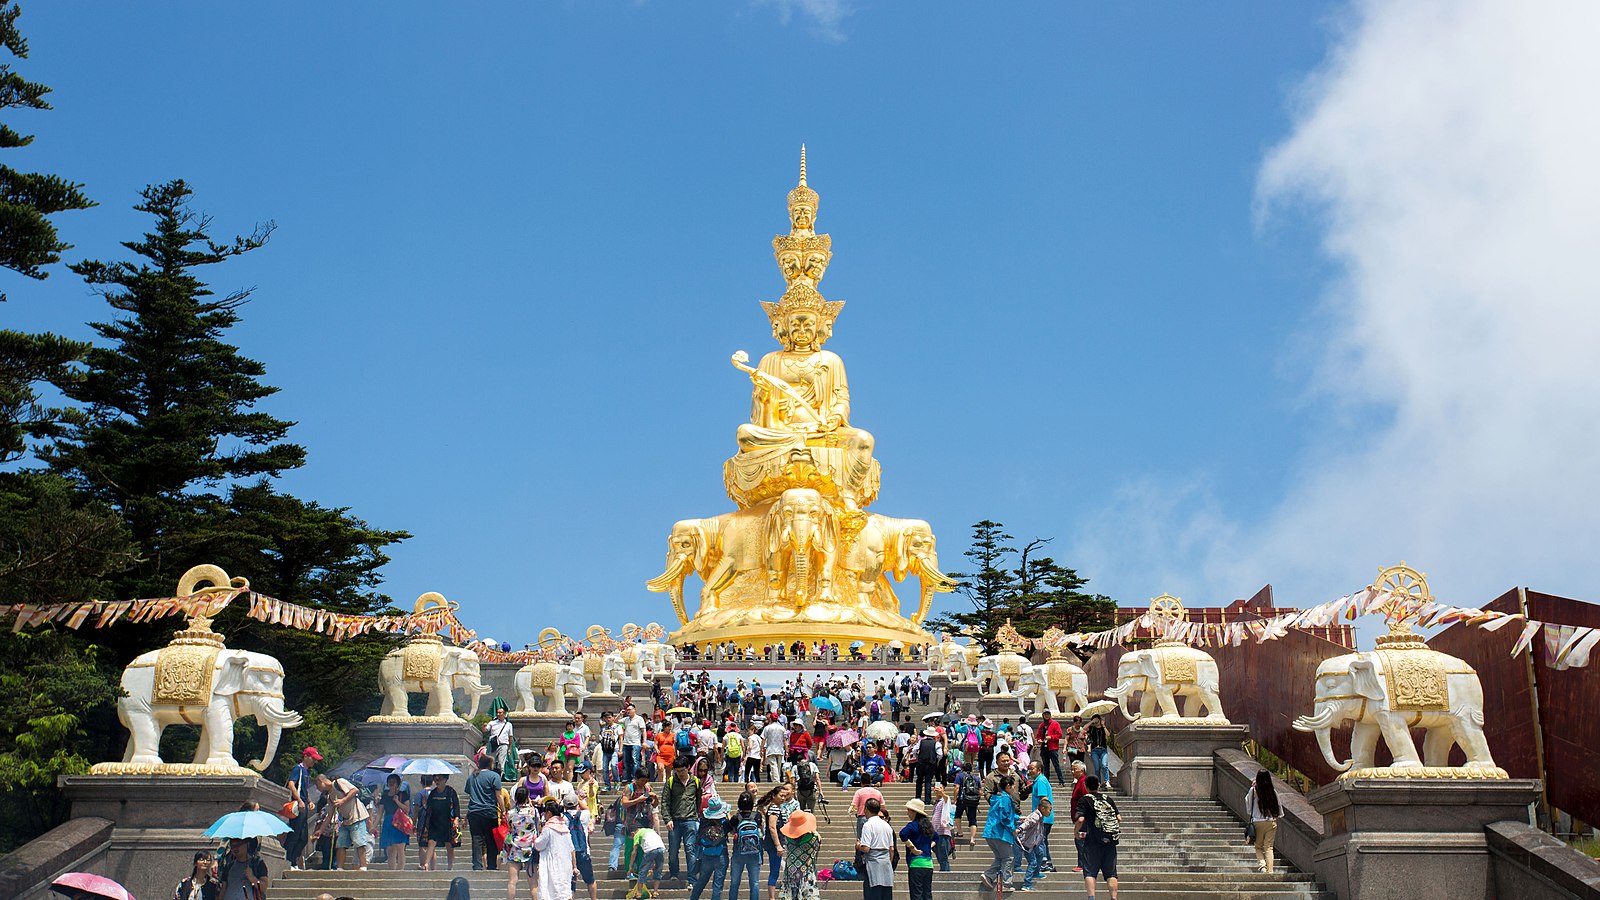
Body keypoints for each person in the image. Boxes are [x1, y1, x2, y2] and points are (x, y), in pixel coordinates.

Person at [1074, 776, 1119, 900]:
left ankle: (1091, 897)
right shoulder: (1108, 799)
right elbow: (1118, 818)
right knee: (1111, 873)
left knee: (1089, 872)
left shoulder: (1084, 800)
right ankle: (1114, 898)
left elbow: (1081, 819)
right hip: (1110, 841)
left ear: (1086, 786)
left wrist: (1076, 832)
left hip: (1092, 841)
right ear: (1098, 785)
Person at [316, 773, 371, 871]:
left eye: (317, 786)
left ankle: (363, 866)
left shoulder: (339, 782)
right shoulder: (329, 796)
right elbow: (330, 815)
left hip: (357, 816)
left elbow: (355, 790)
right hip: (345, 821)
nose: (318, 789)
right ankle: (339, 868)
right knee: (341, 844)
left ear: (321, 781)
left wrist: (343, 800)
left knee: (359, 842)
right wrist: (320, 831)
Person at [665, 755, 703, 882]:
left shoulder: (695, 781)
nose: (680, 773)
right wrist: (667, 819)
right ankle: (674, 873)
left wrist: (695, 814)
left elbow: (699, 799)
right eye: (677, 771)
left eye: (682, 770)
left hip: (690, 820)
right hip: (675, 820)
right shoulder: (671, 782)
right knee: (673, 851)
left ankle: (692, 878)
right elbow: (665, 802)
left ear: (688, 768)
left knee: (690, 849)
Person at [979, 772, 1017, 897]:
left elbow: (1004, 813)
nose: (1014, 788)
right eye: (1013, 786)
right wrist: (1012, 829)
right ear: (1008, 786)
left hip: (991, 832)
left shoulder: (996, 798)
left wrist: (1018, 818)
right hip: (1000, 833)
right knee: (1008, 858)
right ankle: (1006, 883)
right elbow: (1005, 816)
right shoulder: (1006, 798)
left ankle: (988, 876)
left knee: (1000, 857)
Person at [283, 746, 320, 869]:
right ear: (306, 757)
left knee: (303, 838)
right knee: (295, 834)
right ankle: (289, 861)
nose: (314, 761)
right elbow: (291, 784)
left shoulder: (306, 772)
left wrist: (309, 801)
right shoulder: (297, 769)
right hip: (298, 806)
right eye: (312, 759)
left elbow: (305, 789)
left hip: (304, 805)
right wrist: (299, 800)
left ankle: (293, 860)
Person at [467, 753, 505, 871]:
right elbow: (499, 795)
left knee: (477, 839)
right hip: (489, 811)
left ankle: (477, 865)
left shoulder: (472, 776)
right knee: (491, 840)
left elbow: (470, 795)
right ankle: (491, 865)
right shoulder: (494, 776)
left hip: (474, 812)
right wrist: (503, 810)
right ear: (490, 764)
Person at [760, 783, 798, 900]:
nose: (783, 798)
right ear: (774, 796)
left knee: (775, 869)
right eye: (781, 796)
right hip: (773, 844)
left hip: (777, 842)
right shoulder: (775, 808)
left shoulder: (773, 808)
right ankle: (772, 897)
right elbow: (772, 827)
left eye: (784, 796)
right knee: (774, 870)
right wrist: (778, 845)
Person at [690, 796, 730, 900]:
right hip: (720, 855)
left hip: (706, 855)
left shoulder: (704, 822)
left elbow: (698, 839)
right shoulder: (724, 823)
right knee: (717, 886)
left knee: (701, 881)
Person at [534, 798, 575, 900]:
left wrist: (535, 838)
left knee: (551, 891)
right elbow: (571, 848)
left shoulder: (548, 828)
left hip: (551, 864)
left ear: (549, 813)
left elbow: (539, 845)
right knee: (564, 891)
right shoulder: (564, 828)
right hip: (565, 864)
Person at [420, 773, 461, 871]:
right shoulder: (433, 793)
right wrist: (425, 804)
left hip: (447, 822)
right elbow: (429, 808)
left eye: (440, 779)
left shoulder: (451, 792)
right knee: (431, 843)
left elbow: (456, 806)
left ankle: (450, 867)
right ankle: (426, 864)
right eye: (436, 779)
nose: (437, 781)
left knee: (449, 845)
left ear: (445, 780)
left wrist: (456, 819)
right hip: (434, 822)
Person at [856, 797, 895, 900]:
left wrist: (858, 846)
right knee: (886, 895)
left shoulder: (868, 825)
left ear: (866, 809)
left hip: (873, 864)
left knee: (872, 894)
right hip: (886, 864)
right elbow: (891, 849)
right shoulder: (887, 826)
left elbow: (866, 848)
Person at [778, 810, 821, 900]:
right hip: (806, 874)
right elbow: (817, 845)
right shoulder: (814, 839)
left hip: (790, 873)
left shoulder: (787, 839)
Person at [728, 792, 764, 900]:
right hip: (754, 853)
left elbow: (732, 832)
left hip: (738, 853)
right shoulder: (757, 816)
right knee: (755, 883)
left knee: (734, 883)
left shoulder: (736, 817)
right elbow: (761, 830)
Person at [505, 786, 539, 900]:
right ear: (527, 797)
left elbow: (510, 827)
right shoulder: (533, 811)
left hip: (515, 847)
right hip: (530, 848)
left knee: (512, 881)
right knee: (533, 882)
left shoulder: (511, 813)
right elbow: (537, 825)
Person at [1245, 769, 1282, 874]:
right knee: (1269, 847)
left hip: (1258, 822)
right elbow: (1278, 805)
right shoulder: (1272, 790)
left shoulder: (1254, 790)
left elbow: (1248, 803)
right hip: (1271, 821)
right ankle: (1270, 871)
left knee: (1258, 846)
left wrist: (1252, 787)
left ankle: (1262, 867)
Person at [900, 799, 936, 900]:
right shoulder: (928, 826)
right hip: (928, 864)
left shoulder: (912, 825)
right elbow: (936, 837)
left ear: (914, 812)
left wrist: (912, 848)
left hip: (916, 863)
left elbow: (902, 834)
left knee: (916, 894)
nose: (908, 813)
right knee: (927, 894)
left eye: (909, 810)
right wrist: (929, 846)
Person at [378, 772, 412, 870]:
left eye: (393, 782)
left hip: (399, 822)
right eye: (389, 782)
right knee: (390, 850)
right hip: (388, 822)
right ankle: (392, 871)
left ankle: (400, 871)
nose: (391, 784)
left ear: (398, 783)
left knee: (400, 849)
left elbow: (407, 809)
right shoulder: (385, 795)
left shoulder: (403, 794)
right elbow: (380, 812)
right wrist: (373, 826)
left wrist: (397, 801)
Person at [1026, 759, 1055, 873]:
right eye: (1029, 768)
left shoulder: (1041, 781)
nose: (1030, 771)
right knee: (1042, 840)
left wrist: (1039, 817)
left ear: (1039, 769)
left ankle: (1044, 862)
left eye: (1032, 768)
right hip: (1044, 817)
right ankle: (1046, 862)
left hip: (1043, 818)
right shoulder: (1038, 781)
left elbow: (1044, 800)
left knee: (1040, 840)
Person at [628, 820, 667, 899]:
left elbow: (634, 852)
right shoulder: (649, 830)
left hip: (650, 850)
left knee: (642, 871)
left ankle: (639, 893)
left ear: (632, 833)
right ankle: (655, 892)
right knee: (658, 870)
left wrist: (630, 866)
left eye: (631, 838)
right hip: (661, 848)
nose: (632, 839)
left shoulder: (637, 834)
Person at [929, 784, 954, 872]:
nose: (938, 789)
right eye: (936, 788)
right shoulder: (937, 802)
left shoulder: (944, 800)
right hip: (936, 833)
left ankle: (945, 873)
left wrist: (942, 794)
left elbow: (947, 799)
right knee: (939, 856)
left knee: (943, 857)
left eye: (940, 788)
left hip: (943, 833)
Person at [1037, 711, 1065, 786]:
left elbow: (1059, 734)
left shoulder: (1055, 724)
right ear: (1043, 715)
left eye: (1048, 714)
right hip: (1044, 747)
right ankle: (1046, 782)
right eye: (1045, 714)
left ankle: (1061, 781)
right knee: (1045, 766)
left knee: (1056, 765)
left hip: (1052, 747)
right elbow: (1038, 735)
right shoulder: (1041, 725)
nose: (1046, 716)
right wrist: (1039, 740)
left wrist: (1051, 737)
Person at [914, 728, 941, 805]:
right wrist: (936, 760)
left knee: (919, 780)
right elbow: (940, 754)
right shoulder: (936, 743)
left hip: (921, 763)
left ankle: (918, 797)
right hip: (930, 763)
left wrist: (918, 757)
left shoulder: (921, 742)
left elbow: (914, 750)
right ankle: (927, 799)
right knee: (928, 781)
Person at [486, 706, 515, 773]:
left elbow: (510, 737)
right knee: (491, 761)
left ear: (504, 714)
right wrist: (484, 727)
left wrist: (510, 748)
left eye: (500, 713)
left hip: (503, 745)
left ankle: (500, 776)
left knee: (501, 762)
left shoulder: (508, 725)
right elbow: (486, 730)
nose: (498, 714)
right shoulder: (492, 723)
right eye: (497, 713)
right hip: (493, 744)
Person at [623, 706, 648, 782]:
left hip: (635, 743)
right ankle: (628, 778)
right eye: (627, 710)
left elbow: (643, 731)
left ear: (634, 710)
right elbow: (616, 721)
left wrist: (644, 741)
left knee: (635, 761)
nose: (628, 711)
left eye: (629, 709)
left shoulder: (639, 719)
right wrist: (620, 714)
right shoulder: (626, 719)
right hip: (626, 743)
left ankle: (635, 777)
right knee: (626, 762)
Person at [599, 711, 623, 790]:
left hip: (615, 749)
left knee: (614, 765)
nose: (608, 719)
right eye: (606, 718)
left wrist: (620, 749)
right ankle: (607, 785)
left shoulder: (618, 727)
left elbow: (621, 738)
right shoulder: (604, 728)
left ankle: (616, 781)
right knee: (605, 768)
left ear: (613, 717)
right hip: (605, 750)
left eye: (609, 717)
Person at [761, 717, 788, 783]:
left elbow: (763, 739)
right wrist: (786, 750)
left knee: (773, 766)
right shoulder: (782, 728)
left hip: (771, 749)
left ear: (771, 719)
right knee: (778, 767)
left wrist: (761, 749)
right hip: (780, 749)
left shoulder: (767, 728)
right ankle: (776, 779)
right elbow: (785, 740)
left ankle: (776, 780)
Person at [1086, 716, 1110, 787]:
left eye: (1097, 720)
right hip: (1094, 750)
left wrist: (1103, 725)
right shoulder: (1092, 728)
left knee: (1104, 765)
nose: (1096, 721)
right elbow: (1084, 728)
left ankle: (1107, 781)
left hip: (1103, 750)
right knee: (1097, 768)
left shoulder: (1103, 728)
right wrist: (1091, 722)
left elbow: (1108, 734)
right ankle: (1098, 782)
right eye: (1095, 720)